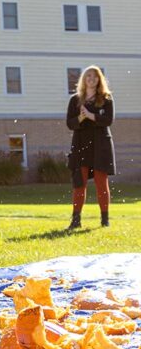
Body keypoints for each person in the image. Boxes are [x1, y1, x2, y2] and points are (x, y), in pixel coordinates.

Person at [66, 65, 115, 230]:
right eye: (88, 76)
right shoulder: (75, 100)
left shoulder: (106, 99)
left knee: (102, 182)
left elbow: (108, 120)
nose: (91, 79)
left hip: (101, 145)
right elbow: (70, 124)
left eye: (95, 76)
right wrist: (81, 117)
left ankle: (105, 220)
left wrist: (92, 115)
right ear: (84, 80)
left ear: (99, 79)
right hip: (81, 145)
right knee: (79, 183)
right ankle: (75, 220)